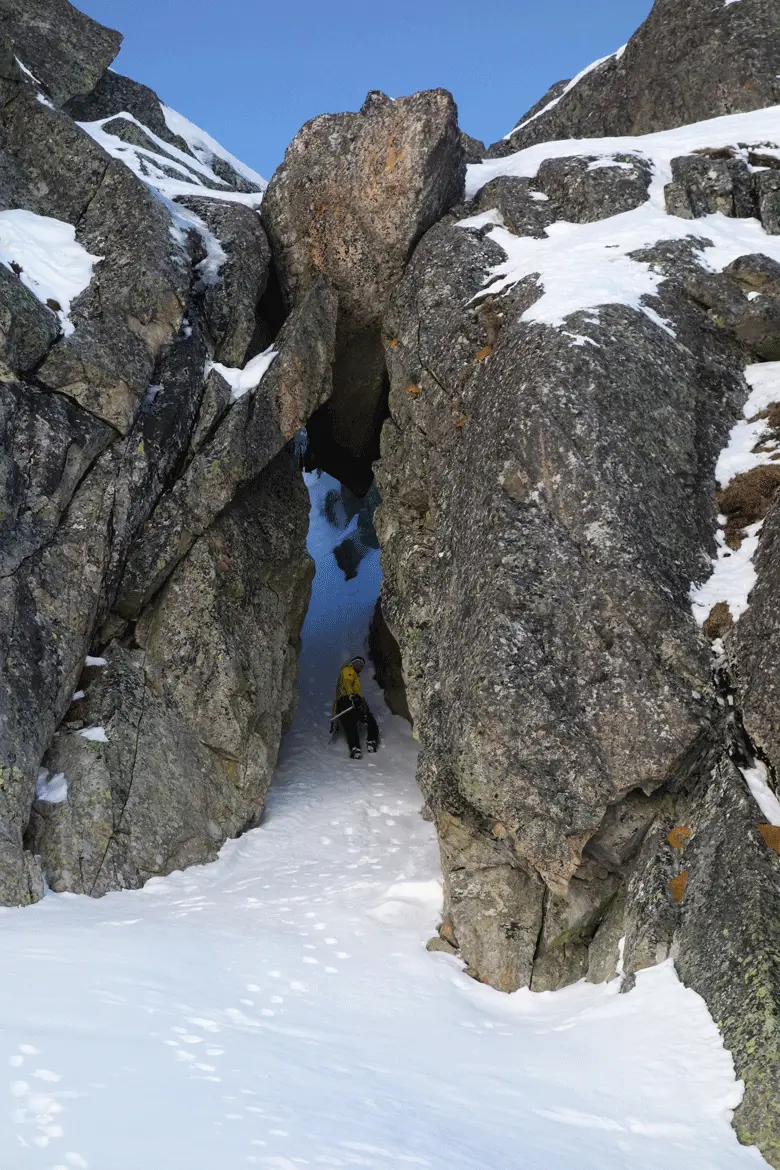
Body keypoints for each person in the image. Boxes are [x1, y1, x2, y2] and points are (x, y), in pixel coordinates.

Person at [331, 655, 379, 760]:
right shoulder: (348, 669)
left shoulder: (355, 677)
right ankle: (370, 741)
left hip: (348, 702)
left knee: (352, 724)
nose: (360, 666)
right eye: (358, 663)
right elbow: (347, 683)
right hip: (348, 700)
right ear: (353, 663)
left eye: (362, 665)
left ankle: (355, 748)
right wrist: (352, 696)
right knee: (365, 720)